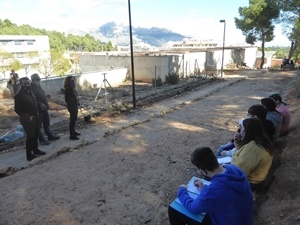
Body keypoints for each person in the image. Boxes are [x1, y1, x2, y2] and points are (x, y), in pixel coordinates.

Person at [168, 147, 254, 225]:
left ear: (203, 171)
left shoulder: (212, 191)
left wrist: (182, 191)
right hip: (244, 220)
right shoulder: (234, 169)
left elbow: (193, 208)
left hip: (225, 221)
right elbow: (224, 192)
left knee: (173, 210)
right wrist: (204, 188)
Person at [231, 118, 274, 191]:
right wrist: (238, 142)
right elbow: (244, 151)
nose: (240, 131)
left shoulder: (253, 148)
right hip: (256, 177)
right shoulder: (261, 140)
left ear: (248, 131)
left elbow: (239, 171)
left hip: (251, 182)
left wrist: (232, 158)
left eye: (242, 128)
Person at [14, 77, 46, 161]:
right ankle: (29, 155)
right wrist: (27, 117)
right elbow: (17, 109)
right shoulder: (18, 96)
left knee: (35, 135)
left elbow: (34, 102)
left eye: (28, 83)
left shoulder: (30, 92)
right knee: (30, 137)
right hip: (28, 120)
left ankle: (35, 150)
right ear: (20, 84)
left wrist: (39, 106)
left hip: (35, 117)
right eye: (24, 84)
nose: (27, 85)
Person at [30, 73, 60, 145]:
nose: (39, 80)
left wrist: (46, 96)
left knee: (46, 123)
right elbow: (32, 100)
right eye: (37, 79)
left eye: (39, 79)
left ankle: (49, 136)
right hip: (38, 110)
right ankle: (41, 140)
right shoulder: (31, 88)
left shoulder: (38, 86)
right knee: (38, 126)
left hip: (44, 109)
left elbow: (40, 95)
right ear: (32, 80)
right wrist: (40, 103)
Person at [64, 76, 81, 140]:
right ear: (68, 81)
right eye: (71, 80)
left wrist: (77, 100)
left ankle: (73, 131)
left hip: (75, 105)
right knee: (72, 120)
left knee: (74, 119)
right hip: (71, 106)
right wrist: (76, 98)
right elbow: (67, 100)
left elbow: (75, 96)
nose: (72, 81)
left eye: (73, 80)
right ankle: (71, 135)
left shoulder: (72, 88)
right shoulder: (67, 89)